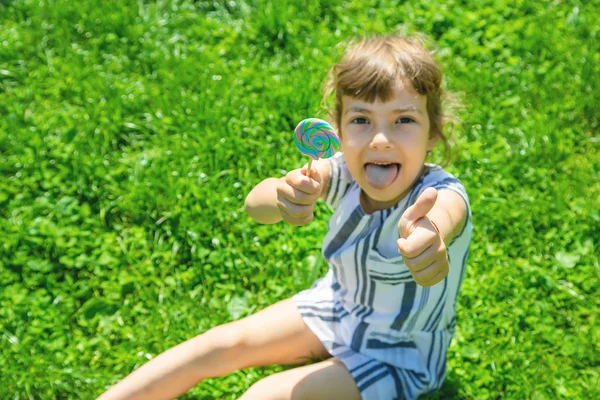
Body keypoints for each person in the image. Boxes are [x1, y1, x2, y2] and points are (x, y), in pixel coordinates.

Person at [98, 33, 472, 400]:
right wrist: (282, 195)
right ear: (337, 130)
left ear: (433, 133)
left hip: (398, 355)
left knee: (264, 395)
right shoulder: (340, 172)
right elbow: (253, 204)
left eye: (403, 120)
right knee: (218, 345)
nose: (379, 139)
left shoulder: (439, 193)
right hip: (335, 307)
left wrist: (429, 237)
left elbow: (443, 216)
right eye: (361, 120)